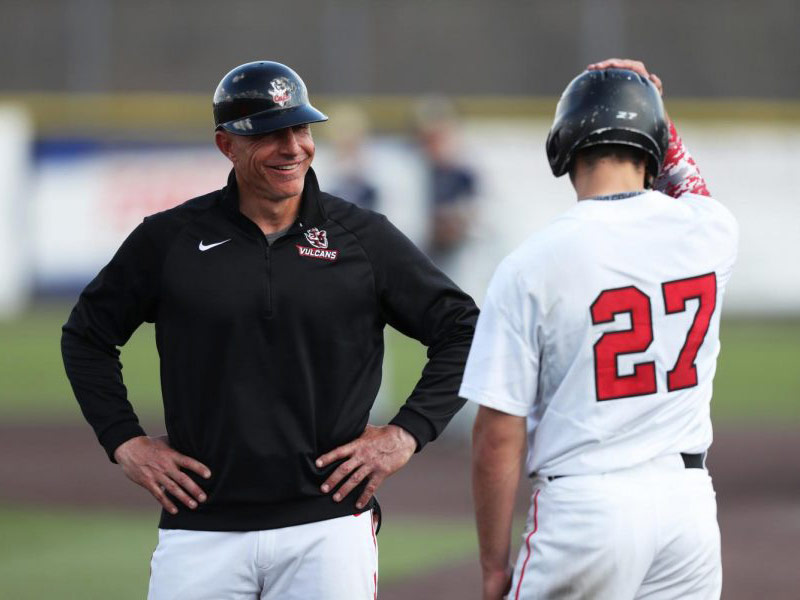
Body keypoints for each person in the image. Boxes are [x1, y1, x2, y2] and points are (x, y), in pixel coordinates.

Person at [61, 60, 478, 599]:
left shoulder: (362, 238)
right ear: (226, 145)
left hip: (328, 528)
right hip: (199, 529)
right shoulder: (170, 240)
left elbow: (463, 329)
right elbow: (88, 335)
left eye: (301, 129)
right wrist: (125, 441)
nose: (293, 147)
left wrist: (406, 433)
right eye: (270, 133)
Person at [460, 58, 737, 600]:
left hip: (586, 512)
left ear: (564, 146)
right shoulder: (712, 231)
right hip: (689, 511)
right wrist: (655, 109)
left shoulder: (529, 265)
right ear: (653, 147)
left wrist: (494, 566)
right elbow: (688, 183)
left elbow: (497, 436)